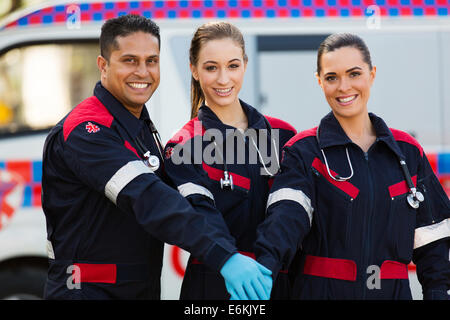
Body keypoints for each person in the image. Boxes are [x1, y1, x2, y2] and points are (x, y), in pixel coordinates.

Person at [41, 14, 272, 300]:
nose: (143, 71)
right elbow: (148, 198)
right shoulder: (87, 130)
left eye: (151, 60)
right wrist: (225, 256)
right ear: (103, 65)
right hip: (88, 290)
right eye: (129, 60)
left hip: (135, 289)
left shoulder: (138, 126)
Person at [254, 33, 450, 300]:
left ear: (372, 74)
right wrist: (261, 274)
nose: (343, 87)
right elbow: (284, 223)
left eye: (354, 73)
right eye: (332, 77)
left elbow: (433, 243)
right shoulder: (305, 151)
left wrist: (439, 294)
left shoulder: (407, 152)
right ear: (319, 81)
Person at [163, 21, 297, 300]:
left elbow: (292, 216)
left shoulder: (283, 135)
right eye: (211, 67)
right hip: (213, 286)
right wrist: (230, 262)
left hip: (275, 283)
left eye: (233, 66)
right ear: (194, 70)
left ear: (245, 65)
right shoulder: (184, 146)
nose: (224, 79)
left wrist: (267, 270)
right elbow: (199, 217)